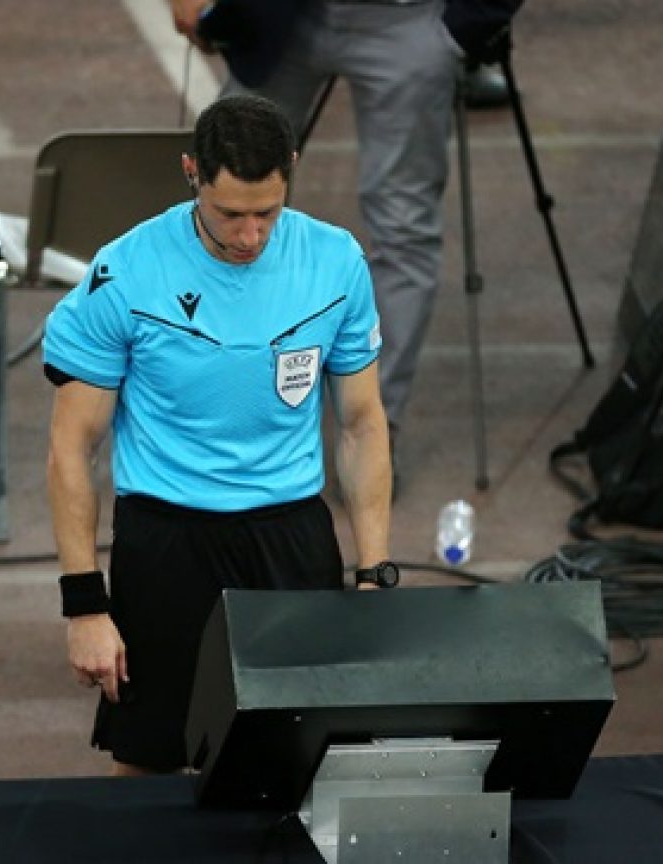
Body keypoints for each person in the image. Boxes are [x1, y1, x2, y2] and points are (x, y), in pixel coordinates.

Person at [42, 94, 396, 776]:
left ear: (291, 170)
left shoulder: (336, 263)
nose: (250, 236)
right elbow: (71, 448)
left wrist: (375, 572)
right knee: (148, 767)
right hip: (167, 542)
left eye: (268, 212)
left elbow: (361, 424)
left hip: (290, 535)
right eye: (230, 213)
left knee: (301, 760)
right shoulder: (126, 273)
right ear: (191, 173)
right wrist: (84, 607)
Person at [171, 0, 461, 449]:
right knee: (218, 202)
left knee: (404, 229)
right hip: (281, 16)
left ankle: (371, 433)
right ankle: (213, 407)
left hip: (412, 21)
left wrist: (467, 25)